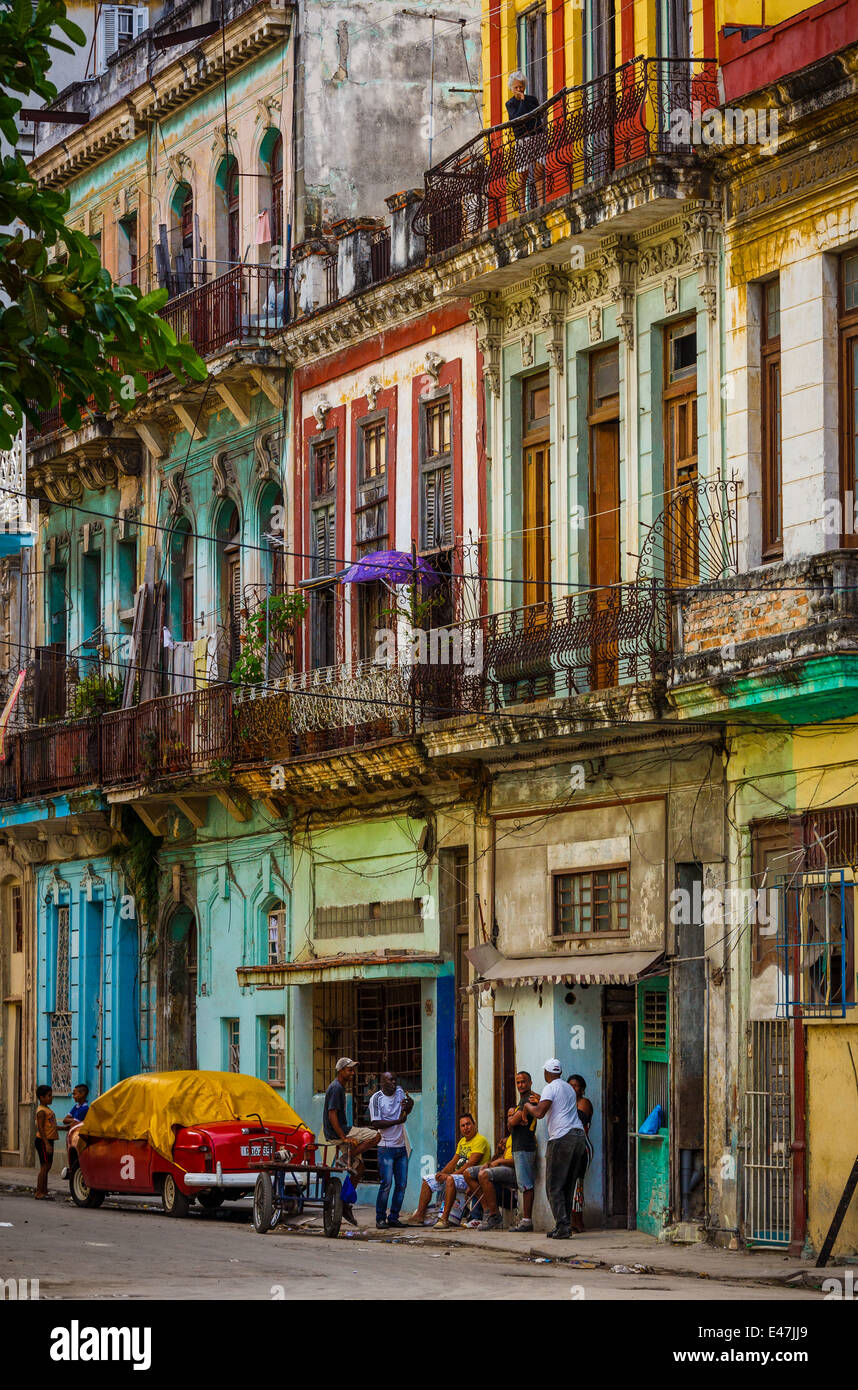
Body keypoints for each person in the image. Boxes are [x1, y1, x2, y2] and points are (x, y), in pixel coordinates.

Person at [523, 1058, 587, 1239]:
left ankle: (563, 1226)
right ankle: (563, 1225)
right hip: (578, 1136)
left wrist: (528, 1105)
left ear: (547, 1073)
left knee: (553, 1186)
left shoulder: (550, 1087)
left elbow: (539, 1113)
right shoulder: (567, 1088)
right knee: (567, 1185)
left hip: (562, 1138)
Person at [320, 1057, 380, 1227]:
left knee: (359, 1168)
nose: (352, 1073)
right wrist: (345, 1137)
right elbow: (332, 1115)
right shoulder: (336, 1088)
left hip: (340, 1131)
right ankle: (348, 1155)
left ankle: (345, 1203)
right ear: (341, 1071)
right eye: (349, 1070)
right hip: (341, 1132)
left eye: (353, 1070)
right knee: (376, 1136)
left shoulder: (338, 1087)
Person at [404, 1113, 491, 1229]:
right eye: (463, 1125)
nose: (466, 1127)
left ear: (474, 1125)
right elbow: (453, 1161)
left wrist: (450, 1175)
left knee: (450, 1179)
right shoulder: (462, 1142)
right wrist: (441, 1173)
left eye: (468, 1124)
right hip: (458, 1177)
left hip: (471, 1179)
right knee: (428, 1180)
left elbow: (470, 1164)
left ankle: (444, 1219)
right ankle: (419, 1215)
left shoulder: (480, 1140)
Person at [368, 1071, 414, 1230]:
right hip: (386, 1148)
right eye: (390, 1080)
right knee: (386, 1184)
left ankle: (394, 1217)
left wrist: (410, 1105)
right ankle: (380, 1218)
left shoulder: (400, 1091)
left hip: (401, 1147)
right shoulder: (376, 1099)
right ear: (382, 1082)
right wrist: (397, 1121)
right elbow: (376, 1123)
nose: (394, 1083)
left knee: (401, 1184)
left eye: (395, 1079)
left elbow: (408, 1107)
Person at [505, 70, 545, 214]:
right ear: (511, 88)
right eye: (516, 87)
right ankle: (523, 207)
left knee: (539, 170)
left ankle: (541, 203)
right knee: (522, 174)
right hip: (522, 141)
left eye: (521, 86)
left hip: (537, 137)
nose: (519, 89)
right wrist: (522, 101)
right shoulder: (510, 104)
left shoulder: (532, 99)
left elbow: (538, 115)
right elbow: (518, 118)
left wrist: (524, 101)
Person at [507, 1069, 541, 1232]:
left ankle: (527, 1221)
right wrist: (513, 1118)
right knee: (524, 1184)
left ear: (530, 1082)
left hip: (525, 1147)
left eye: (523, 1082)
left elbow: (513, 1122)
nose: (520, 1085)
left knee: (526, 1185)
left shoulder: (531, 1098)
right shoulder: (523, 1100)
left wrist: (513, 1117)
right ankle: (525, 1220)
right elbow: (511, 1123)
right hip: (519, 1146)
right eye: (518, 1082)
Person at [568, 1074, 594, 1233]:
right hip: (569, 1148)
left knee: (577, 1183)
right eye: (569, 1085)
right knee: (569, 1183)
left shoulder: (584, 1103)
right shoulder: (568, 1103)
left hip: (582, 1147)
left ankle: (578, 1222)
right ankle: (572, 1221)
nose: (572, 1088)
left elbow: (580, 1119)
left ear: (582, 1089)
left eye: (575, 1085)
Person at [35, 1084, 58, 1200]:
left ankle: (44, 1191)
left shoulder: (47, 1109)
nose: (51, 1098)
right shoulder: (41, 1111)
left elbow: (50, 1126)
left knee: (47, 1166)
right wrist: (47, 1144)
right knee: (44, 1167)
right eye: (49, 1096)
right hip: (43, 1141)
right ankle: (39, 1192)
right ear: (41, 1097)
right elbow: (40, 1128)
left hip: (49, 1140)